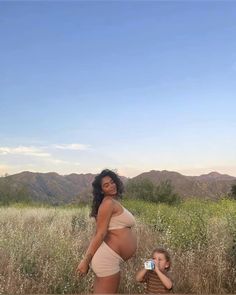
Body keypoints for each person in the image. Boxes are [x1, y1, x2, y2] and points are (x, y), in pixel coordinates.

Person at [76, 169, 137, 293]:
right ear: (101, 190)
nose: (111, 186)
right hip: (107, 260)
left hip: (108, 259)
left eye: (112, 182)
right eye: (106, 185)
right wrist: (85, 261)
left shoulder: (111, 202)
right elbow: (100, 234)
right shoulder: (108, 203)